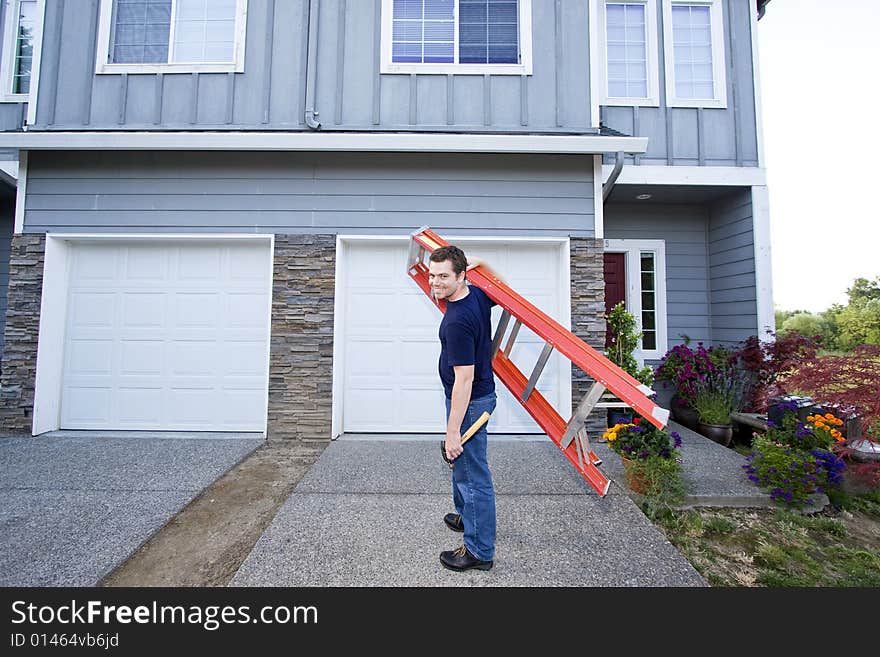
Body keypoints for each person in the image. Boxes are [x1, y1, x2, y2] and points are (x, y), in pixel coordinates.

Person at [428, 245, 504, 572]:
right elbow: (502, 291)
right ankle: (467, 516)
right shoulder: (476, 294)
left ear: (461, 275)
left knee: (473, 476)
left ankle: (479, 551)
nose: (435, 282)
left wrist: (452, 432)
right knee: (463, 469)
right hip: (474, 399)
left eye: (444, 276)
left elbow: (464, 380)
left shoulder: (458, 319)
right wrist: (485, 262)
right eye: (433, 275)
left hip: (470, 402)